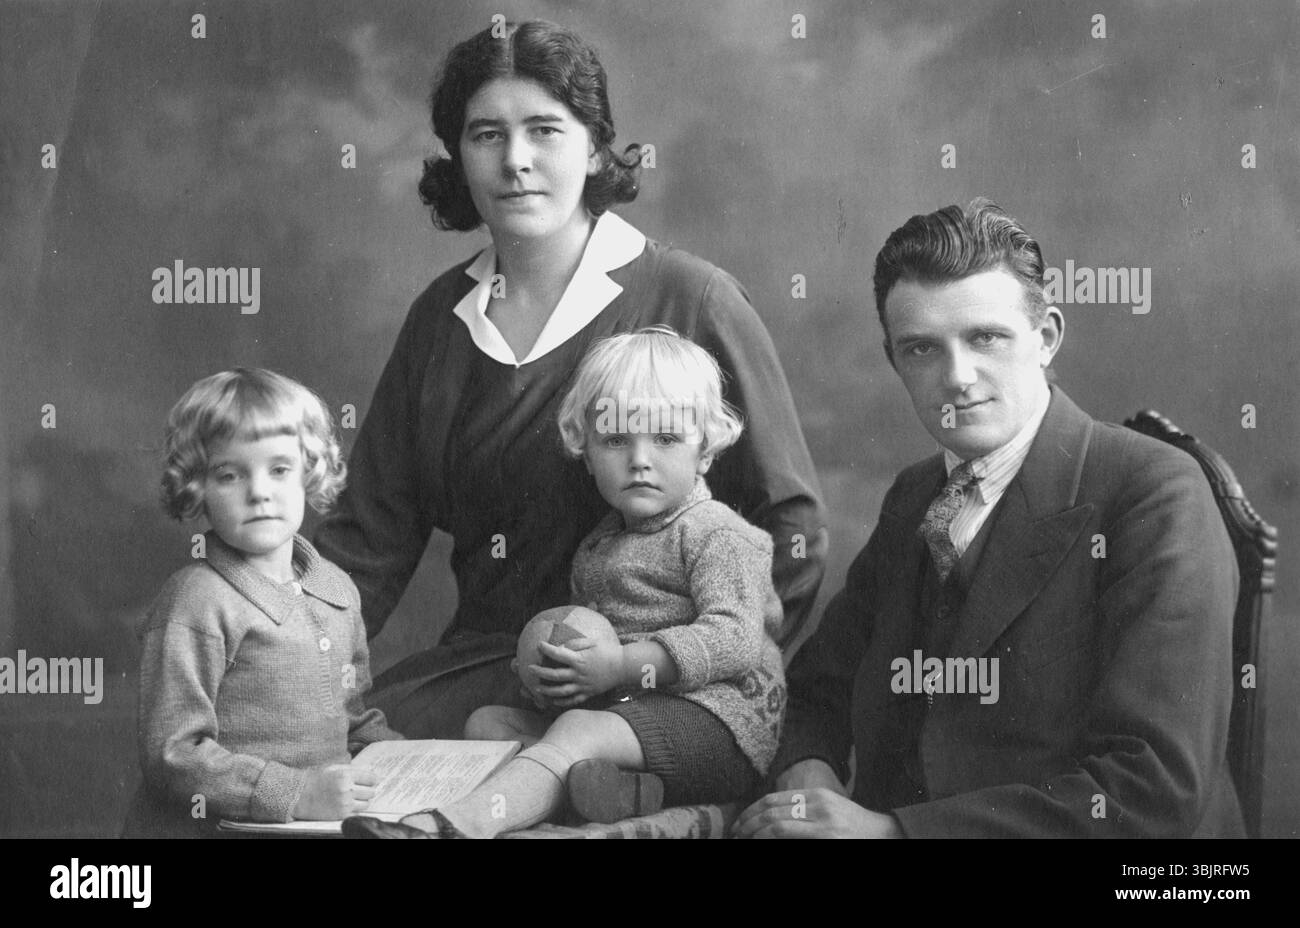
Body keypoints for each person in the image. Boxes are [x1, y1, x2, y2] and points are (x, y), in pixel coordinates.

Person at [313, 20, 825, 741]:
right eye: (487, 135)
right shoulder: (439, 319)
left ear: (592, 148)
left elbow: (791, 531)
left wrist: (678, 688)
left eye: (545, 131)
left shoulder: (690, 298)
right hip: (488, 678)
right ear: (459, 157)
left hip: (653, 697)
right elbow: (367, 538)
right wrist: (285, 656)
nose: (516, 160)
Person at [735, 199, 1243, 838]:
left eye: (986, 338)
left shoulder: (1155, 494)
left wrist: (889, 833)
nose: (957, 377)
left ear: (1047, 336)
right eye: (921, 349)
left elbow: (1151, 790)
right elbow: (816, 689)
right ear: (895, 361)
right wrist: (808, 777)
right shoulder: (917, 495)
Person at [344, 327, 785, 838]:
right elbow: (593, 649)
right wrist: (556, 676)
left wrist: (619, 665)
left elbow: (735, 639)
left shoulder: (719, 535)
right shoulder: (599, 545)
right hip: (628, 719)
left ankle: (445, 828)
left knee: (580, 730)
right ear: (586, 449)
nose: (639, 459)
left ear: (704, 451)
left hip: (721, 725)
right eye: (616, 440)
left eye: (665, 438)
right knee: (489, 725)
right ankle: (626, 793)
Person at [124, 369, 400, 837]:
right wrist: (294, 793)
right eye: (229, 475)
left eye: (278, 469)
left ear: (309, 472)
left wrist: (401, 759)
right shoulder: (195, 600)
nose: (259, 492)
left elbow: (350, 717)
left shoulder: (336, 590)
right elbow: (174, 753)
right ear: (198, 488)